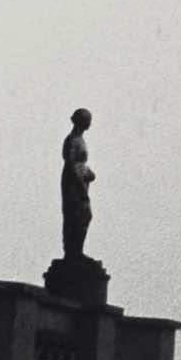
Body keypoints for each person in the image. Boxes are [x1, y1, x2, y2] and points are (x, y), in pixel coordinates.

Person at [60, 110, 97, 261]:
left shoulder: (79, 139)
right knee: (77, 215)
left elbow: (80, 164)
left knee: (83, 216)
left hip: (80, 181)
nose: (90, 123)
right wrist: (81, 185)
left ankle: (77, 251)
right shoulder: (72, 140)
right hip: (73, 184)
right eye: (88, 120)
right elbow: (72, 165)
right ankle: (73, 252)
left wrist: (89, 173)